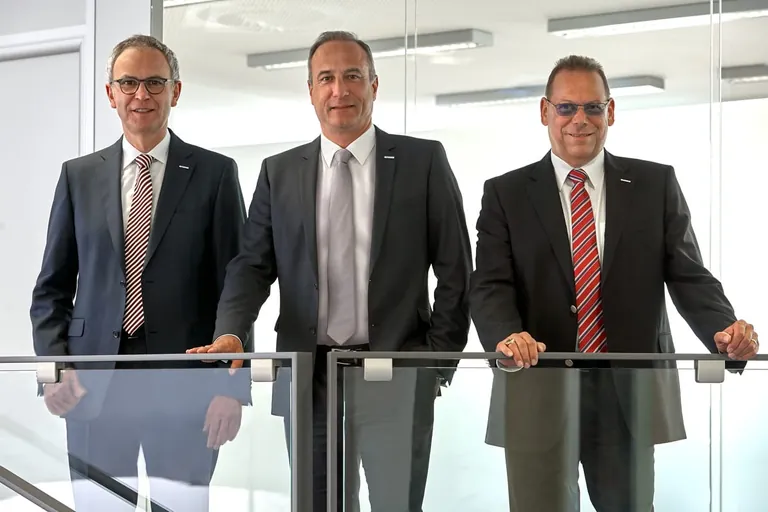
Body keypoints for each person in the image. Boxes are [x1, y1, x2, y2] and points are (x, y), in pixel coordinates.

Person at [188, 30, 472, 512]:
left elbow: (456, 268)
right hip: (309, 376)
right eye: (326, 78)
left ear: (374, 85)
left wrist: (433, 364)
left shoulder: (422, 161)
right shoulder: (279, 172)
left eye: (352, 76)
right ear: (311, 90)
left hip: (395, 371)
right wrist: (231, 332)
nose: (340, 90)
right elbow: (252, 265)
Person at [469, 54, 758, 512]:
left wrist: (723, 329)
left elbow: (688, 273)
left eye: (593, 107)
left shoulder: (654, 184)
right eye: (566, 108)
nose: (579, 120)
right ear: (545, 111)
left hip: (626, 391)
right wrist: (506, 335)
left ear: (611, 111)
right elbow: (489, 283)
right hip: (536, 384)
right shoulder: (505, 193)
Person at [30, 34, 249, 512]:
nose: (141, 95)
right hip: (92, 387)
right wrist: (54, 368)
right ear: (111, 94)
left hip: (186, 387)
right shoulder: (78, 176)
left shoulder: (215, 174)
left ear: (176, 91)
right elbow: (51, 290)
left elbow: (237, 287)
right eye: (128, 83)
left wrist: (232, 388)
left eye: (155, 82)